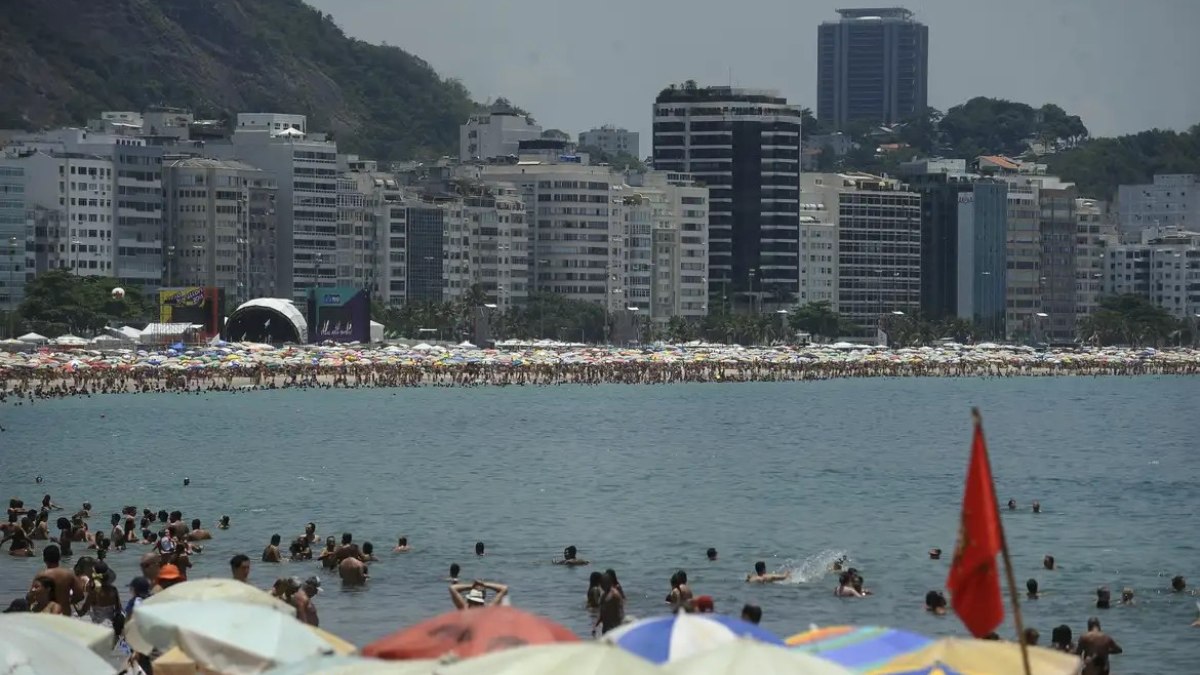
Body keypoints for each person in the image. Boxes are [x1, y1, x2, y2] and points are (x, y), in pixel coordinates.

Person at [35, 544, 77, 611]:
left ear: (44, 559)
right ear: (59, 558)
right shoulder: (69, 575)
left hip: (47, 615)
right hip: (64, 614)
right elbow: (80, 595)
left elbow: (31, 596)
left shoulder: (41, 576)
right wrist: (67, 602)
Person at [591, 571, 624, 635]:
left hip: (614, 628)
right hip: (605, 628)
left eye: (604, 582)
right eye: (601, 582)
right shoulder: (603, 595)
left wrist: (620, 627)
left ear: (609, 582)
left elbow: (620, 611)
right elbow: (602, 613)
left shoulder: (615, 595)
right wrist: (595, 626)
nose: (602, 585)